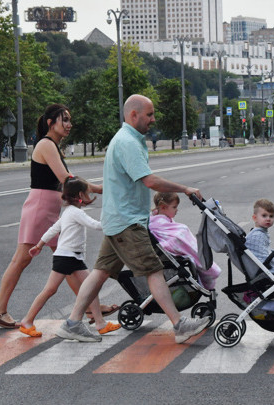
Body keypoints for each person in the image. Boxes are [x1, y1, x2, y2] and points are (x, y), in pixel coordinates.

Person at [57, 94, 210, 343]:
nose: (153, 119)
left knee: (100, 273)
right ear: (133, 115)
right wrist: (184, 189)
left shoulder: (126, 140)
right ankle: (179, 325)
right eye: (149, 114)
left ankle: (72, 323)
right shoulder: (127, 142)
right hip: (127, 223)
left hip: (118, 220)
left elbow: (121, 183)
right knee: (153, 270)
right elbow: (148, 180)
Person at [0, 104, 115, 329]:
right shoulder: (46, 145)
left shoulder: (53, 146)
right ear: (50, 123)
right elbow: (66, 178)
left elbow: (67, 180)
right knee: (22, 260)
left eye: (69, 120)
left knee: (68, 261)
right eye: (64, 120)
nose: (69, 124)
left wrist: (92, 189)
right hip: (40, 208)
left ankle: (89, 306)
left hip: (49, 209)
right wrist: (97, 188)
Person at [19, 176, 121, 337]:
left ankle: (100, 323)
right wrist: (115, 222)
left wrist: (39, 245)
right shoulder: (75, 213)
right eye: (87, 193)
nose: (89, 196)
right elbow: (95, 225)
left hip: (72, 257)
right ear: (80, 195)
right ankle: (27, 321)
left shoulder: (68, 212)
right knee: (51, 290)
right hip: (67, 257)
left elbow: (53, 229)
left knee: (90, 287)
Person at [149, 192, 221, 290]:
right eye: (174, 207)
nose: (177, 210)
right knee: (183, 233)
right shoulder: (157, 222)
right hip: (171, 247)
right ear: (163, 207)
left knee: (183, 231)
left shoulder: (157, 218)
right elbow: (171, 238)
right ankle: (208, 268)